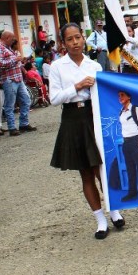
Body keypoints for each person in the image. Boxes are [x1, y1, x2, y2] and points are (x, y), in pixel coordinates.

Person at [49, 23, 124, 239]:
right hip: (73, 118)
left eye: (78, 38)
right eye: (69, 39)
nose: (75, 43)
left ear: (84, 39)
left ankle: (114, 210)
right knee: (86, 171)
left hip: (95, 116)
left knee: (103, 167)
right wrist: (77, 86)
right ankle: (100, 220)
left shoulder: (94, 65)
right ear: (63, 43)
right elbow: (54, 99)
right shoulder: (57, 67)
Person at [0, 30, 36, 135]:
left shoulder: (8, 48)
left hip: (18, 79)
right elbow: (0, 64)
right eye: (12, 38)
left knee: (26, 100)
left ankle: (24, 124)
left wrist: (20, 61)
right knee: (10, 105)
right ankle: (12, 128)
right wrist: (15, 59)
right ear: (7, 38)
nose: (13, 41)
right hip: (9, 80)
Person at [118, 90, 138, 203]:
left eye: (122, 95)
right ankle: (132, 192)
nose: (120, 97)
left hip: (136, 141)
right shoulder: (121, 112)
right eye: (119, 96)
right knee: (130, 169)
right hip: (126, 143)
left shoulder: (136, 110)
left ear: (129, 97)